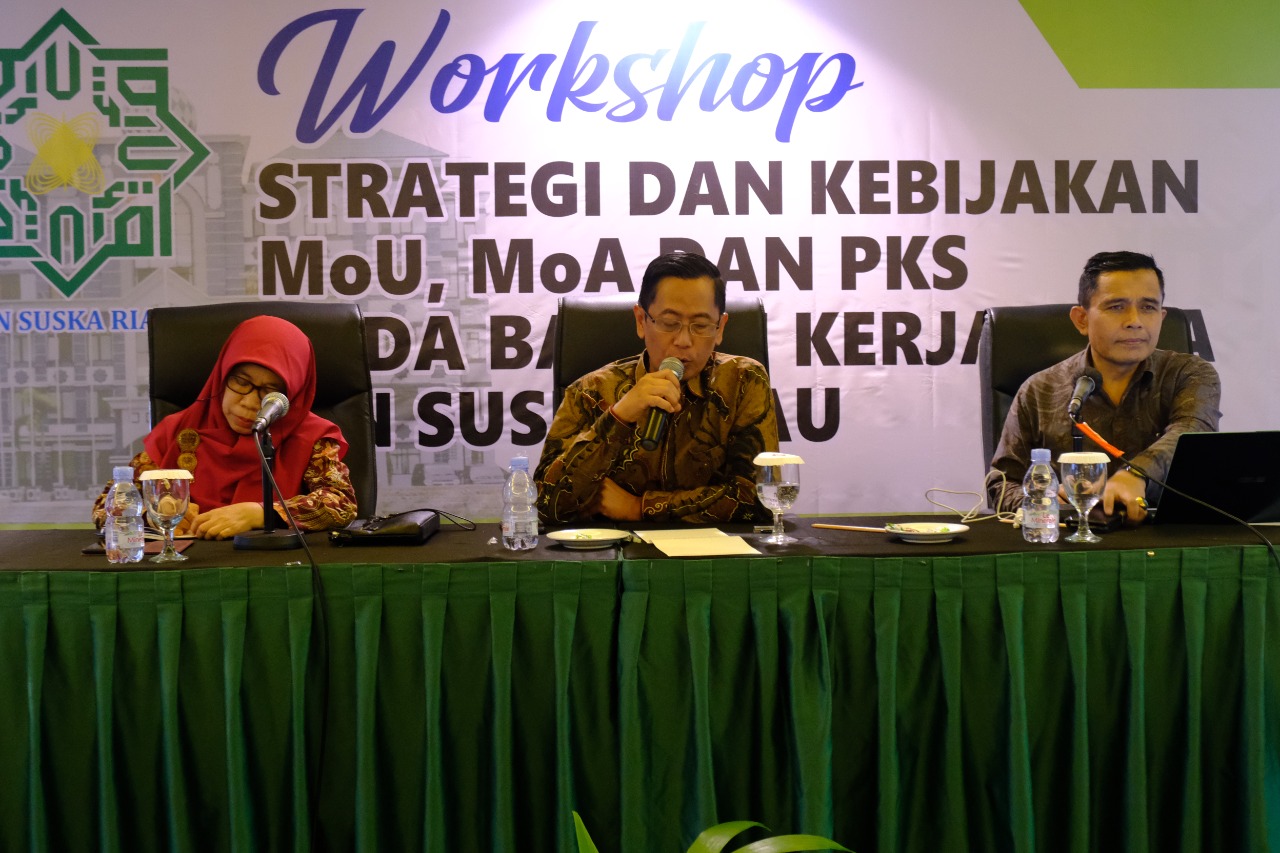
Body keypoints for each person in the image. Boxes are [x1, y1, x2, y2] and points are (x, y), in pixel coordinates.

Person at [536, 252, 779, 524]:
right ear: (641, 321)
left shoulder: (743, 381)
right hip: (614, 547)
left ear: (720, 328)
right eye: (669, 323)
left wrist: (639, 507)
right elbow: (545, 507)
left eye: (700, 325)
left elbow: (764, 499)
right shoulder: (590, 391)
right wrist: (619, 416)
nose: (684, 340)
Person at [986, 250, 1221, 524]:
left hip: (1169, 534)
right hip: (1070, 539)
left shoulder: (1189, 374)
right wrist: (1043, 502)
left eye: (1148, 307)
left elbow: (1191, 432)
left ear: (1161, 316)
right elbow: (1002, 483)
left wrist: (1137, 474)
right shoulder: (1040, 390)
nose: (1134, 321)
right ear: (1081, 320)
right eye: (1116, 307)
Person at [92, 315, 358, 538]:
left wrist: (261, 513)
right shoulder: (177, 431)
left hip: (275, 566)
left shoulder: (313, 437)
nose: (249, 403)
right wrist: (152, 513)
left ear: (292, 395)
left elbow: (342, 504)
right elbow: (106, 508)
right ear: (222, 374)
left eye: (269, 392)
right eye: (241, 382)